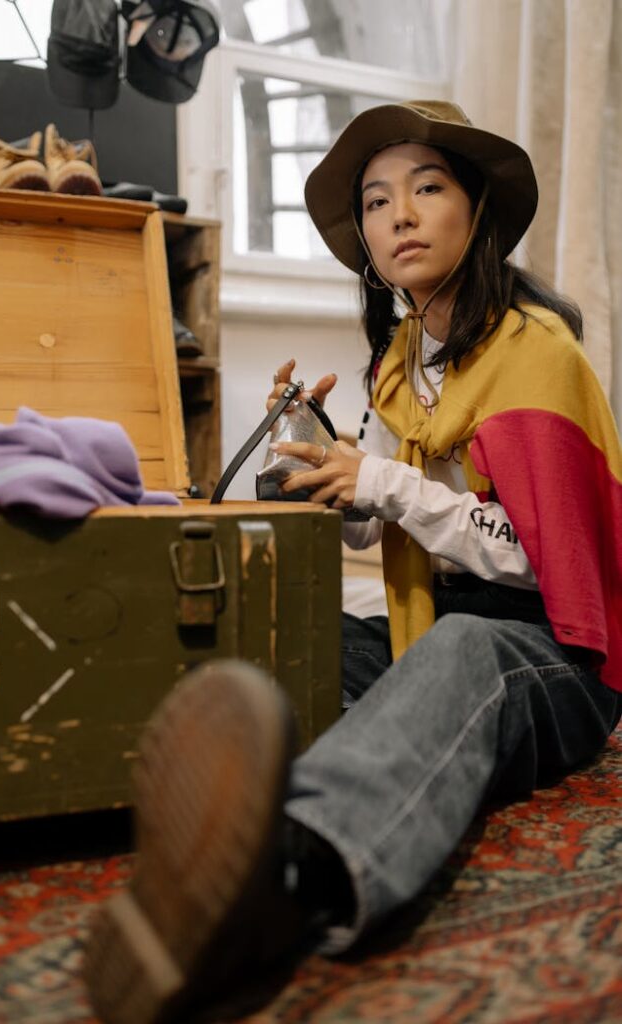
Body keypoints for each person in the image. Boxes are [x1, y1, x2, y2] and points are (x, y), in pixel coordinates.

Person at [83, 101, 622, 1024]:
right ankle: (143, 799)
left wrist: (380, 481)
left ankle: (285, 880)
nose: (397, 216)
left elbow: (549, 566)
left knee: (463, 657)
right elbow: (379, 533)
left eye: (426, 189)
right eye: (375, 203)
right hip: (437, 620)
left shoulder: (538, 355)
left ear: (476, 212)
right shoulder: (399, 360)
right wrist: (315, 469)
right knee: (290, 633)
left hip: (553, 656)